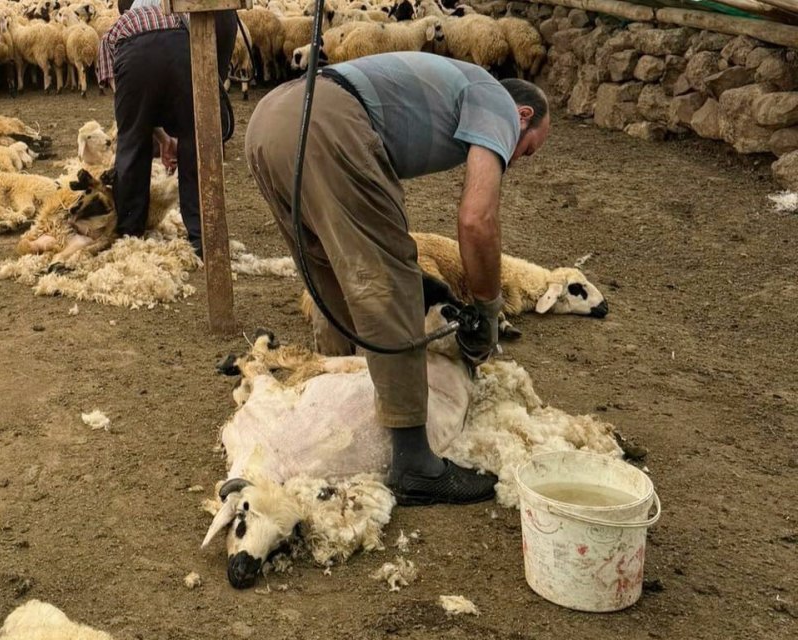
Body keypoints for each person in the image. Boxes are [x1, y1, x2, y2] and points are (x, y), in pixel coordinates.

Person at [244, 51, 551, 506]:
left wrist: (431, 287)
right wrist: (487, 307)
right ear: (523, 115)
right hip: (330, 120)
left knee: (331, 267)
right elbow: (476, 220)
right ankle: (414, 464)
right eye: (527, 148)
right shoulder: (497, 101)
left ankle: (334, 388)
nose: (518, 158)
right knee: (387, 284)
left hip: (273, 118)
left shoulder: (457, 85)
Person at [96, 0, 238, 258]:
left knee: (132, 143)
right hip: (181, 44)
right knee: (194, 140)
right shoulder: (172, 11)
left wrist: (155, 135)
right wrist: (168, 138)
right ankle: (203, 238)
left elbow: (130, 110)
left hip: (134, 56)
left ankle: (130, 234)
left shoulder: (112, 34)